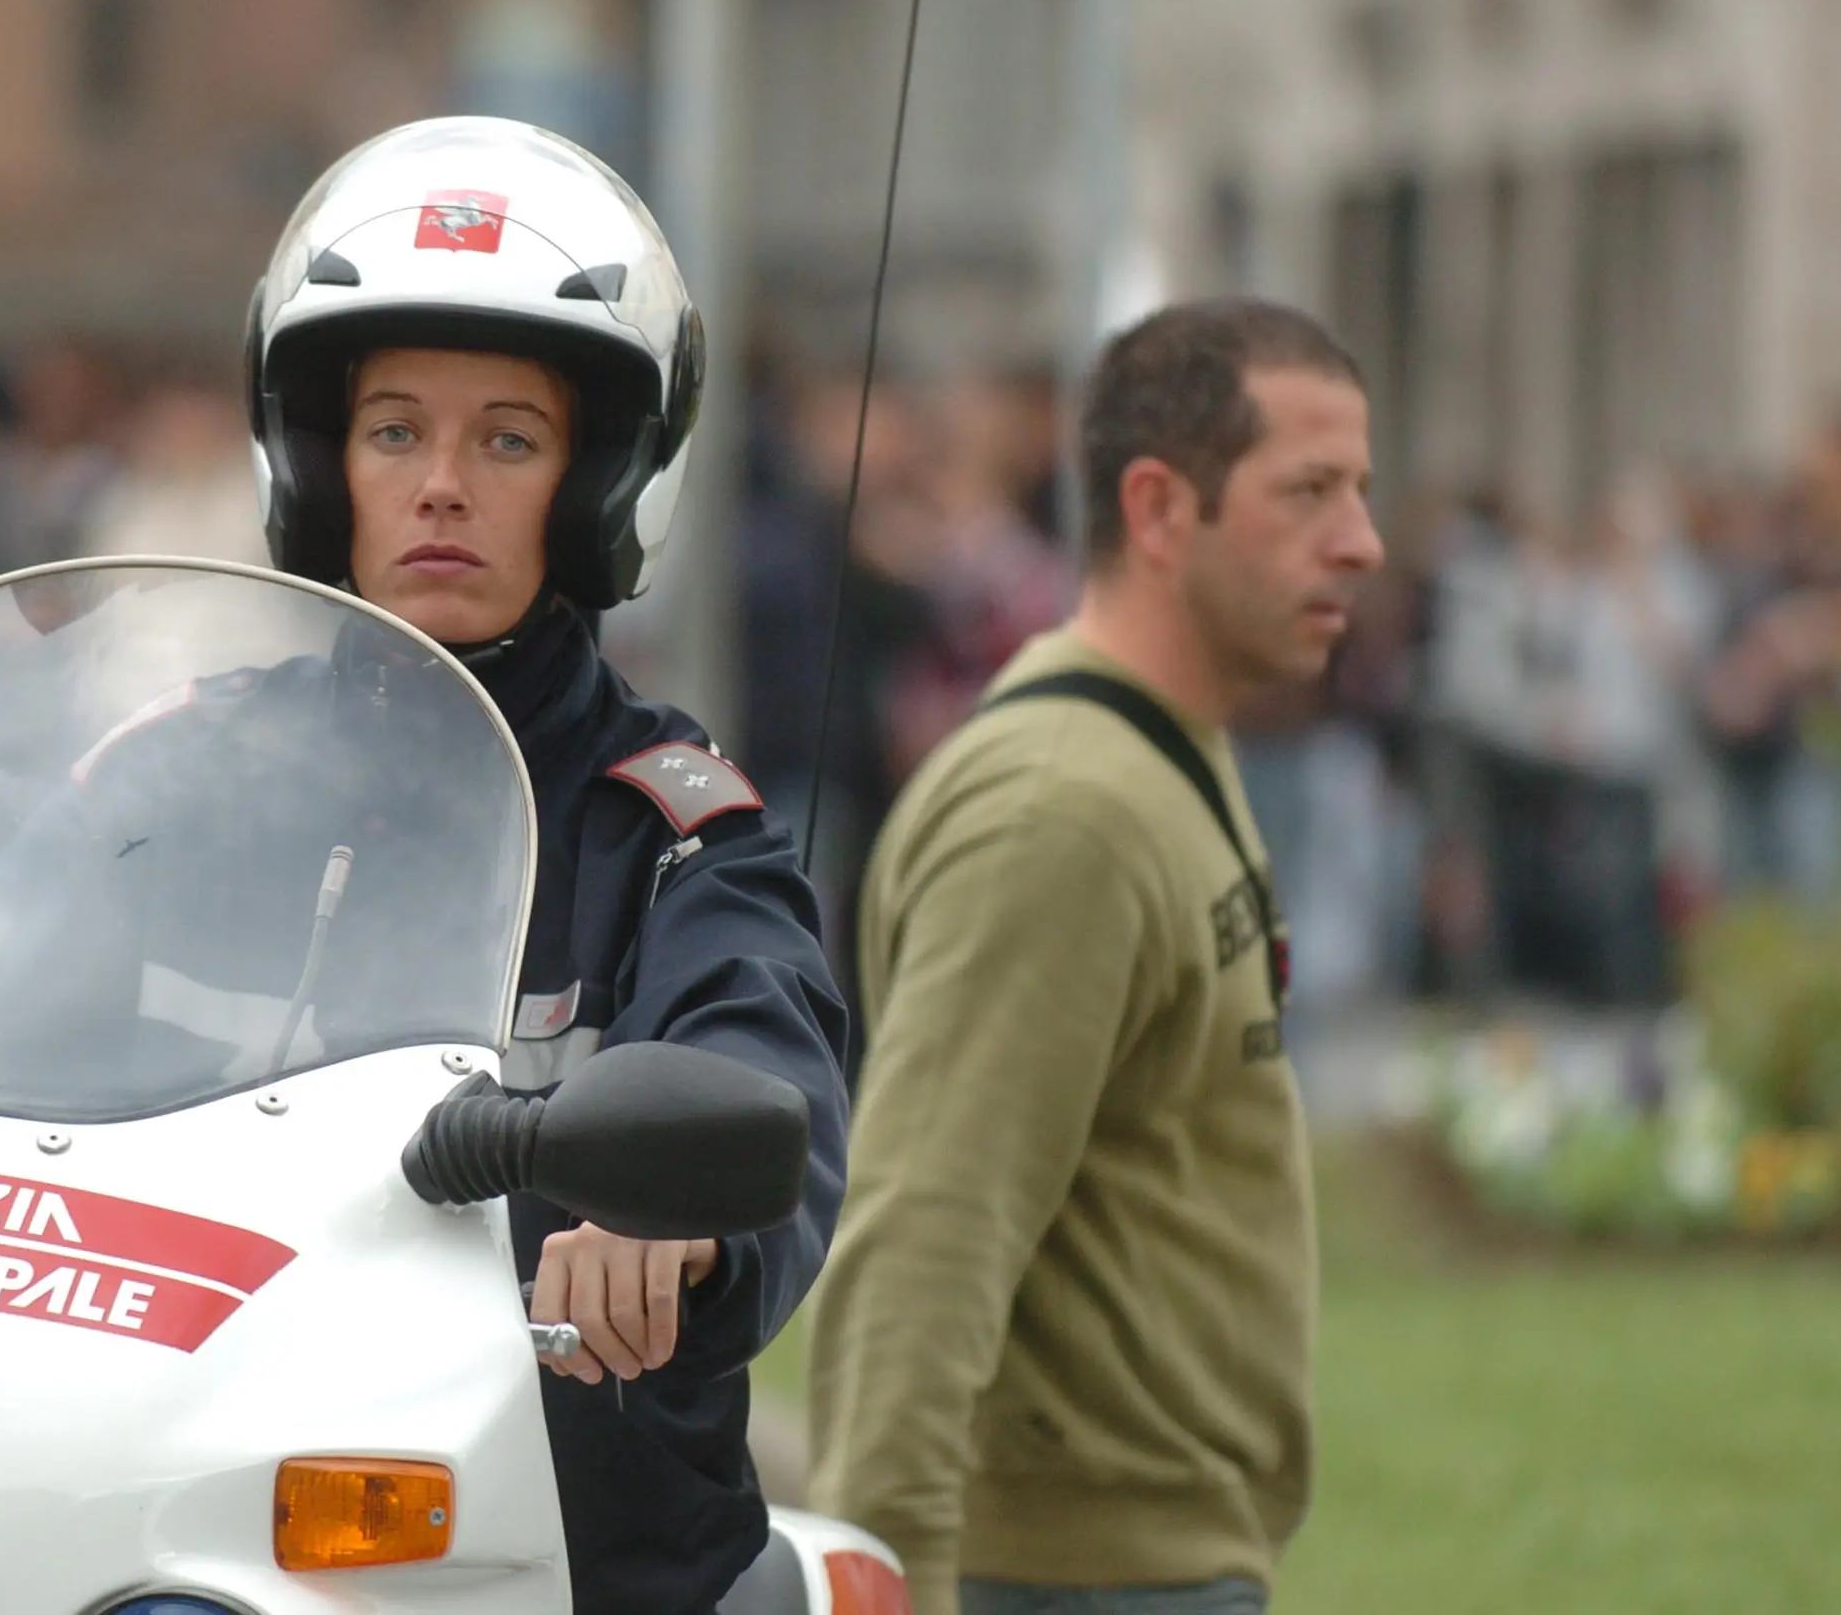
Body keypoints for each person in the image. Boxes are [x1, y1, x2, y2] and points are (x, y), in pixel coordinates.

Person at [238, 117, 852, 1614]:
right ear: (324, 472)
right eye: (394, 432)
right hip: (191, 1500)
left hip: (559, 1548)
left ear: (595, 489)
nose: (441, 484)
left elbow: (763, 1060)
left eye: (506, 439)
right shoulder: (185, 787)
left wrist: (684, 1230)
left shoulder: (672, 834)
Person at [806, 299, 1385, 1615]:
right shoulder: (1062, 815)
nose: (1361, 542)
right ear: (1160, 510)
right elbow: (926, 1232)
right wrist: (876, 1578)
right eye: (1308, 492)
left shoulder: (1162, 749)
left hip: (1153, 1561)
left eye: (1358, 489)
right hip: (1071, 1582)